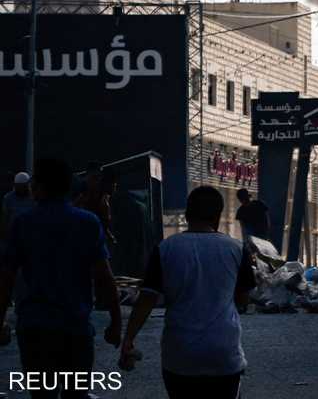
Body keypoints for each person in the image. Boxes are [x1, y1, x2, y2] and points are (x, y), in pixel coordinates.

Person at [0, 158, 122, 398]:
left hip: (35, 329)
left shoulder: (22, 224)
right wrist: (116, 322)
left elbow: (6, 279)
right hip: (75, 328)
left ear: (40, 187)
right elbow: (105, 278)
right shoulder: (87, 223)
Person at [122, 185, 256, 397]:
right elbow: (243, 300)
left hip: (179, 355)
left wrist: (128, 340)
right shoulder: (237, 249)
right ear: (218, 216)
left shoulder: (165, 248)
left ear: (187, 214)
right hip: (223, 354)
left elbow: (146, 300)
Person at [0, 172, 33, 280]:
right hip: (14, 238)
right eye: (19, 187)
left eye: (24, 186)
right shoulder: (8, 198)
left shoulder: (34, 197)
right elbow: (5, 219)